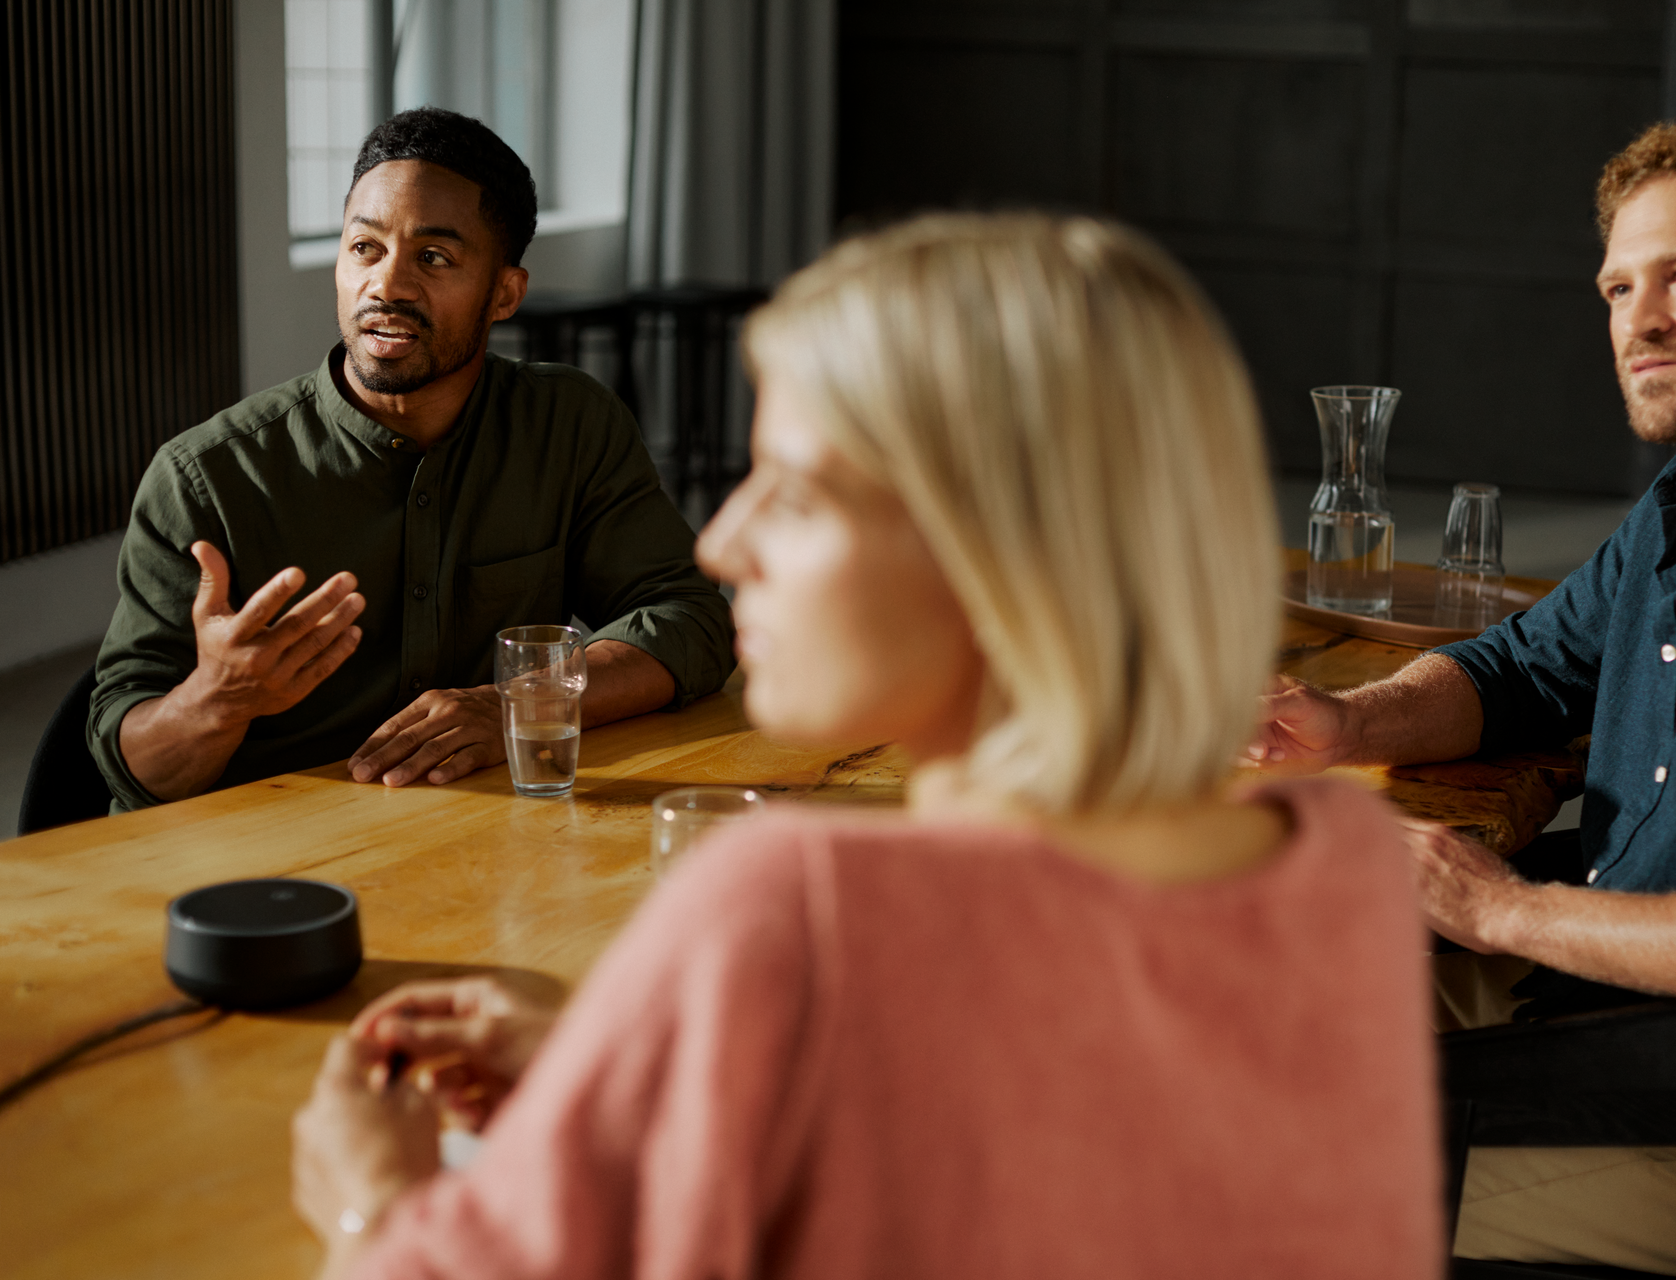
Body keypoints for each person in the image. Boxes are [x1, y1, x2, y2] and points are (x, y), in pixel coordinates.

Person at [289, 214, 1444, 1279]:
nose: (725, 540)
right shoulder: (1345, 862)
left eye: (793, 493)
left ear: (998, 546)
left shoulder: (795, 905)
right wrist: (675, 1053)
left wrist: (374, 1200)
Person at [1252, 112, 1676, 1276]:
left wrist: (1504, 910)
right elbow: (1520, 668)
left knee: (1197, 1167)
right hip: (1591, 1015)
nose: (1638, 321)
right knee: (1213, 1008)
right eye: (1618, 287)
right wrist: (1349, 723)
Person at [88, 107, 733, 810]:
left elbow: (692, 619)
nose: (387, 286)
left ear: (505, 294)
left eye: (434, 257)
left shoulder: (567, 424)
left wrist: (514, 704)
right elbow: (132, 770)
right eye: (365, 248)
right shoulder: (204, 479)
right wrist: (217, 699)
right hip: (271, 865)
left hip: (482, 840)